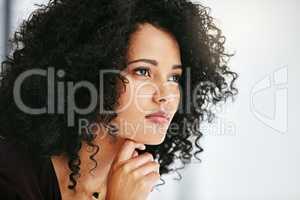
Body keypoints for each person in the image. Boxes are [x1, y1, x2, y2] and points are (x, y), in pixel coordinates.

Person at [0, 0, 238, 199]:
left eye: (174, 77)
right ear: (91, 75)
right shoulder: (12, 173)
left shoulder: (130, 185)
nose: (165, 94)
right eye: (143, 72)